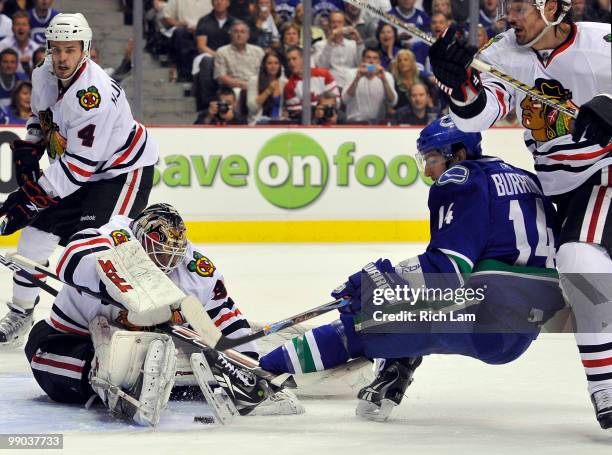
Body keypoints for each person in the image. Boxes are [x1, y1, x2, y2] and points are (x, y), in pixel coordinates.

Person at [259, 115, 565, 422]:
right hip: (525, 324)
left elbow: (447, 271)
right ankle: (398, 365)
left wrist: (378, 283)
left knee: (366, 322)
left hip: (489, 322)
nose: (429, 171)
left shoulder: (460, 180)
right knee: (412, 302)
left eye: (432, 159)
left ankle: (260, 375)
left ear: (458, 155)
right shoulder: (526, 178)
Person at [428, 0, 612, 429]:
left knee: (579, 260)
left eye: (518, 8)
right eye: (505, 8)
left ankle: (605, 387)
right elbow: (480, 115)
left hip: (604, 177)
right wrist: (460, 86)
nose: (508, 18)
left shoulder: (603, 44)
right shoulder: (501, 53)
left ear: (551, 7)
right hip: (556, 192)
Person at [23, 204, 285, 426]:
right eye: (158, 252)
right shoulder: (112, 236)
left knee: (190, 359)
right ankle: (109, 381)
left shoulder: (195, 270)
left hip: (145, 348)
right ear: (138, 238)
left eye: (172, 255)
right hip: (68, 339)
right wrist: (132, 293)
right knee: (45, 358)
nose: (166, 263)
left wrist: (247, 363)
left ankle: (143, 376)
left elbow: (225, 316)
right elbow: (71, 259)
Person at [0, 13, 158, 346]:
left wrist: (27, 199)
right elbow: (40, 118)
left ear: (85, 49)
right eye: (55, 49)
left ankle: (132, 314)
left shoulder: (93, 95)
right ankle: (21, 312)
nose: (61, 58)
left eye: (69, 50)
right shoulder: (43, 73)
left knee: (94, 246)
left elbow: (78, 169)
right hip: (80, 170)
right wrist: (31, 149)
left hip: (122, 171)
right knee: (33, 236)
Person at [342, 47, 397, 124]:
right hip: (355, 121)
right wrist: (357, 78)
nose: (371, 61)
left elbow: (393, 102)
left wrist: (384, 81)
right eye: (368, 57)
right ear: (362, 60)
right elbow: (345, 99)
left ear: (379, 62)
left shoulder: (387, 76)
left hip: (378, 123)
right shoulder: (351, 73)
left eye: (375, 58)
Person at [283, 45, 339, 120]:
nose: (291, 63)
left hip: (331, 116)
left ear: (303, 59)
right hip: (307, 124)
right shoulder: (289, 86)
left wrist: (323, 109)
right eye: (288, 60)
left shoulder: (324, 74)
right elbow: (295, 113)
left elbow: (337, 100)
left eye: (294, 59)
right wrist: (316, 111)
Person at [316, 10, 363, 90]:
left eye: (339, 22)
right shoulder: (320, 45)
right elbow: (322, 68)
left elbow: (362, 65)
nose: (336, 25)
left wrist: (359, 41)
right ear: (329, 24)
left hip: (352, 85)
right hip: (332, 86)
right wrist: (329, 43)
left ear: (344, 25)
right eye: (333, 22)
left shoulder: (352, 44)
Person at [214, 20, 264, 92]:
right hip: (234, 89)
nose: (239, 35)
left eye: (242, 32)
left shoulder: (258, 51)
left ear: (248, 35)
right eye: (236, 32)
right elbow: (221, 77)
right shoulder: (221, 52)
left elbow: (265, 72)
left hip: (257, 87)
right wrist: (243, 85)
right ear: (231, 34)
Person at [247, 50, 286, 124]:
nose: (273, 66)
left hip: (279, 123)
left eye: (276, 63)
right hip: (258, 123)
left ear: (280, 65)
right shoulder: (254, 81)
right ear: (264, 65)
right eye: (269, 63)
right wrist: (268, 90)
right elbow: (252, 108)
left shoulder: (284, 82)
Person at [0, 10, 37, 75]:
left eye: (24, 24)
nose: (21, 28)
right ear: (12, 28)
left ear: (29, 28)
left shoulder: (36, 49)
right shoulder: (2, 46)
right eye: (17, 24)